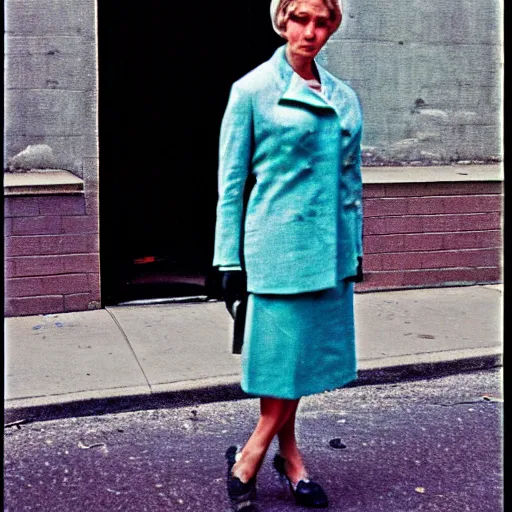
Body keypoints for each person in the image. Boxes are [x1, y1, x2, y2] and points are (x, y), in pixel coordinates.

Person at [213, 0, 363, 509]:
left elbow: (350, 184)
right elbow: (231, 187)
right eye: (300, 18)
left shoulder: (344, 97)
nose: (310, 31)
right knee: (283, 361)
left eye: (322, 21)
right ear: (282, 20)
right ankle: (259, 452)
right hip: (276, 251)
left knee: (296, 361)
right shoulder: (253, 91)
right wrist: (226, 261)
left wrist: (355, 248)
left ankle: (286, 455)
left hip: (330, 252)